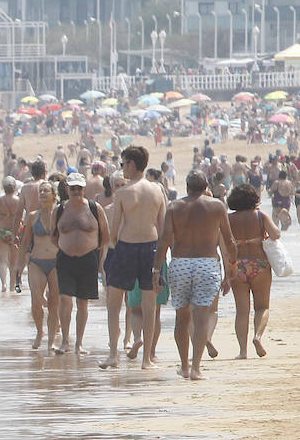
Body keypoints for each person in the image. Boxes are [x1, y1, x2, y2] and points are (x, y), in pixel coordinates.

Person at [154, 170, 237, 380]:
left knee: (181, 318)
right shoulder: (217, 206)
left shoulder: (174, 207)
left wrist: (156, 271)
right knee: (201, 318)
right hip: (207, 263)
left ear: (187, 186)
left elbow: (163, 241)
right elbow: (229, 241)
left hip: (180, 263)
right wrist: (231, 267)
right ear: (206, 186)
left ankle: (183, 365)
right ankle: (196, 368)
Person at [101, 146, 166, 370]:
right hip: (151, 247)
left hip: (126, 247)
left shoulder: (122, 193)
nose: (122, 168)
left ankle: (113, 354)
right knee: (150, 304)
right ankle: (147, 358)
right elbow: (163, 226)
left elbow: (114, 229)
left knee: (114, 303)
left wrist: (109, 249)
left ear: (131, 164)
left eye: (123, 164)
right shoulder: (157, 190)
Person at [51, 173, 109, 356]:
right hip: (65, 259)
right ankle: (65, 341)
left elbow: (105, 236)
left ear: (84, 189)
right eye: (73, 188)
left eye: (79, 188)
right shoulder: (59, 209)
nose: (76, 191)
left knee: (82, 303)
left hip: (88, 259)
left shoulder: (94, 208)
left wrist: (99, 259)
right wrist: (65, 247)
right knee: (65, 299)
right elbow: (53, 236)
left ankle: (79, 343)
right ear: (67, 189)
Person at [224, 183, 277, 359]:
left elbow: (224, 243)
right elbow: (276, 234)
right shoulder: (260, 215)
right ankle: (258, 337)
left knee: (241, 311)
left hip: (238, 265)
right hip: (260, 264)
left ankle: (242, 351)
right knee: (262, 307)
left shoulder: (229, 219)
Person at [16, 181, 65, 352]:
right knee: (36, 301)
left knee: (54, 303)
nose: (42, 193)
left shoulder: (61, 213)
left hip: (56, 262)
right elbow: (25, 242)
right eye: (40, 191)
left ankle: (51, 339)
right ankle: (39, 332)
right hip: (36, 261)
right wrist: (18, 265)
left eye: (46, 191)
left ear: (54, 194)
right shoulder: (32, 216)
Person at [0, 177, 22, 292]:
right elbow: (21, 217)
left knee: (2, 260)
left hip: (1, 231)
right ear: (14, 187)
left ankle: (3, 284)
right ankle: (12, 285)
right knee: (14, 261)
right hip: (14, 231)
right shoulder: (18, 200)